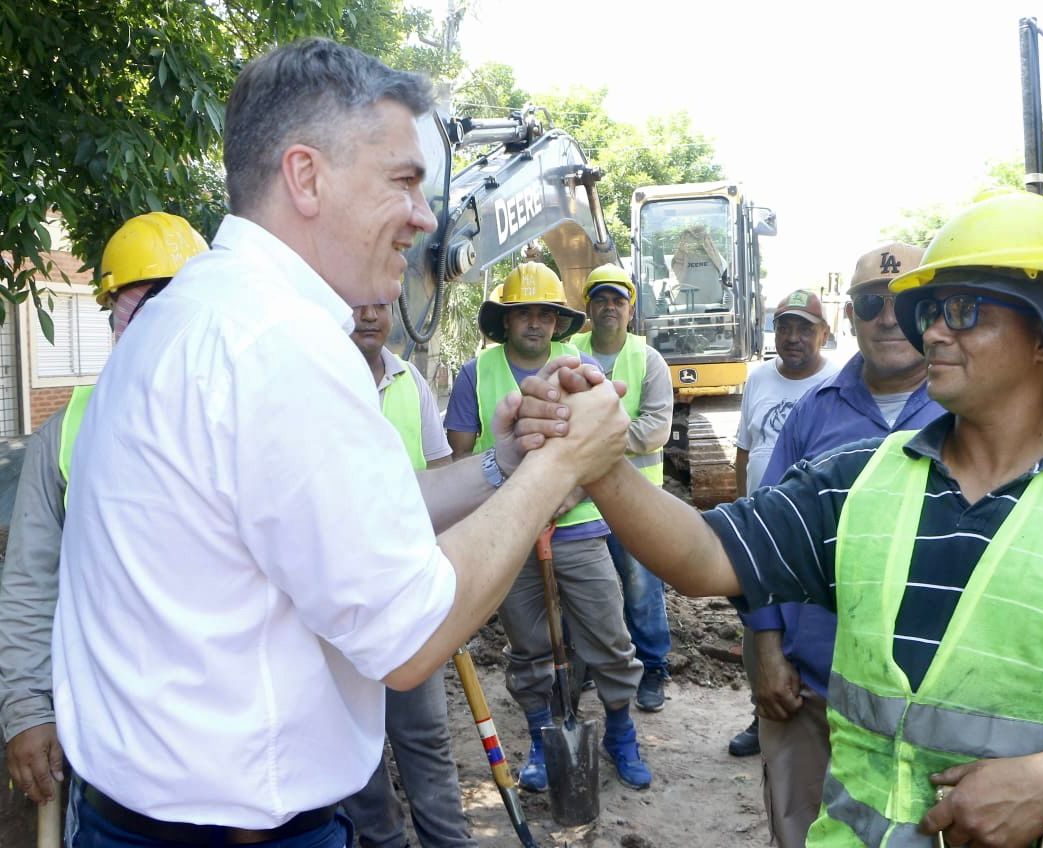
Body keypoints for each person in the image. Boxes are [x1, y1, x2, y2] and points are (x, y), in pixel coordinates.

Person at [52, 38, 630, 845]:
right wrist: (563, 464)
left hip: (139, 817)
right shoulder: (281, 346)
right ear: (306, 175)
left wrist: (503, 466)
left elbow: (353, 522)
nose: (425, 217)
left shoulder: (198, 315)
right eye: (402, 180)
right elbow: (409, 634)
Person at [546, 191, 1043, 847]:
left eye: (964, 310)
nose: (930, 331)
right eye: (929, 310)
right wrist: (600, 463)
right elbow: (701, 557)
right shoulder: (854, 481)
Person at [0, 212, 208, 806]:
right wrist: (25, 709)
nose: (158, 318)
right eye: (143, 299)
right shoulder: (65, 434)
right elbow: (30, 583)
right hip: (108, 739)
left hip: (224, 742)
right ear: (113, 310)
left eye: (178, 299)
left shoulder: (238, 416)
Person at [742, 244, 945, 847]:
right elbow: (763, 542)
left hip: (928, 694)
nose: (888, 317)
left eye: (905, 302)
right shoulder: (812, 415)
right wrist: (767, 650)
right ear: (851, 315)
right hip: (810, 689)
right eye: (871, 303)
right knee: (804, 829)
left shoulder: (969, 409)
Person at [445, 261, 652, 791]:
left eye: (544, 313)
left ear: (558, 321)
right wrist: (517, 501)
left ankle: (620, 732)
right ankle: (541, 737)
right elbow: (462, 457)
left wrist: (566, 495)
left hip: (578, 528)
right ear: (505, 321)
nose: (534, 323)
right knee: (530, 644)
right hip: (510, 533)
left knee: (609, 638)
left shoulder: (579, 367)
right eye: (523, 314)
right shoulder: (478, 373)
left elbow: (602, 448)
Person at [341, 302, 474, 848]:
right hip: (341, 606)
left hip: (407, 597)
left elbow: (442, 474)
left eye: (380, 305)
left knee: (424, 736)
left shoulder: (411, 381)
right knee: (358, 748)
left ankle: (450, 842)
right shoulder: (318, 379)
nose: (370, 315)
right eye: (357, 305)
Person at [729, 288, 838, 759]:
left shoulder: (836, 385)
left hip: (812, 533)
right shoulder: (757, 380)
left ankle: (820, 720)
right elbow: (745, 450)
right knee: (760, 628)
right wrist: (742, 509)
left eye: (804, 329)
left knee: (808, 626)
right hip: (764, 531)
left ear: (824, 334)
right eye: (785, 327)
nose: (793, 338)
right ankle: (762, 715)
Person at [568, 263, 674, 713]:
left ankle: (652, 667)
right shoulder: (569, 352)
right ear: (588, 307)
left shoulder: (648, 360)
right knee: (590, 590)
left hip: (635, 499)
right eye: (600, 299)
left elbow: (656, 428)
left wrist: (598, 441)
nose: (609, 307)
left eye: (618, 300)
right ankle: (593, 664)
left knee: (639, 585)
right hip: (578, 501)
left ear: (630, 309)